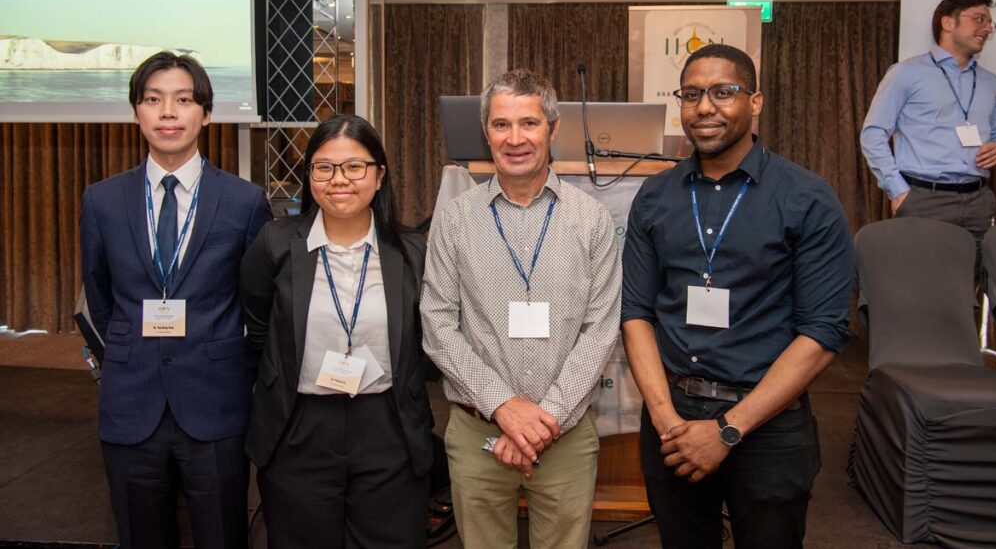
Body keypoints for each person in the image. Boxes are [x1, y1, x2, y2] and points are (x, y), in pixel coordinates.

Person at [621, 44, 854, 549]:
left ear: (755, 102)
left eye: (723, 92)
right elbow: (636, 312)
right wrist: (666, 420)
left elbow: (823, 332)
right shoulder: (655, 197)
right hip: (673, 418)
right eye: (691, 95)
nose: (704, 107)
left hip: (768, 424)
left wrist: (728, 430)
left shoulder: (807, 198)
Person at [421, 69, 622, 549]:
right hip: (478, 434)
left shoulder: (592, 220)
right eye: (501, 124)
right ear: (486, 132)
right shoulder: (455, 219)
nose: (515, 139)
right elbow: (437, 324)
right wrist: (505, 408)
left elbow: (601, 330)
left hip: (565, 437)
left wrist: (541, 420)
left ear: (553, 129)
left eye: (529, 123)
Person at [79, 51, 272, 548]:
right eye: (153, 100)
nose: (168, 112)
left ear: (206, 114)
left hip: (216, 402)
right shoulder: (101, 200)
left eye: (183, 100)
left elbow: (259, 305)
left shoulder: (244, 202)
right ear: (136, 112)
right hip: (130, 401)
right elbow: (100, 298)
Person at [240, 114, 433, 548]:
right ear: (309, 176)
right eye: (324, 167)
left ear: (379, 176)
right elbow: (257, 330)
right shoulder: (275, 243)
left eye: (354, 166)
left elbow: (425, 341)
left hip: (388, 426)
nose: (339, 179)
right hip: (298, 425)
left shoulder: (411, 252)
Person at [861, 0, 996, 251]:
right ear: (948, 23)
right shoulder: (906, 73)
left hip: (978, 201)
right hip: (924, 199)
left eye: (990, 23)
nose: (988, 28)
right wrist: (897, 190)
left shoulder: (992, 83)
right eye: (979, 19)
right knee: (922, 274)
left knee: (972, 274)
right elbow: (873, 134)